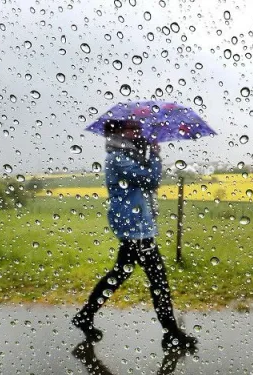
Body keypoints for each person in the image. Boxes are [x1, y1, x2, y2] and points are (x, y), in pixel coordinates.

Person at [72, 119, 197, 352]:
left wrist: (147, 152)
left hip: (137, 224)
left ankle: (85, 316)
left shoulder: (126, 155)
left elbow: (146, 183)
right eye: (133, 128)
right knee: (158, 279)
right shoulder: (118, 158)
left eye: (139, 128)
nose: (139, 131)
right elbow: (151, 180)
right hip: (134, 227)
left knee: (120, 273)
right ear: (120, 132)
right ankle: (171, 333)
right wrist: (156, 155)